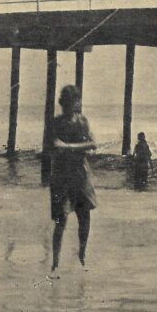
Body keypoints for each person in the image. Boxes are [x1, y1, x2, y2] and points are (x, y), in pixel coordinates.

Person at [49, 85, 97, 272]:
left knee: (84, 217)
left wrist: (68, 146)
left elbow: (93, 143)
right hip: (61, 175)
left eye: (73, 102)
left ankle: (82, 256)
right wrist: (77, 147)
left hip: (81, 173)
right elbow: (52, 145)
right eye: (66, 103)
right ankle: (55, 263)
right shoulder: (55, 122)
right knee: (61, 220)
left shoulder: (82, 121)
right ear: (62, 103)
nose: (69, 106)